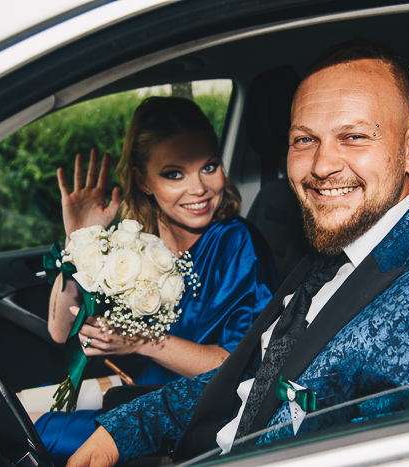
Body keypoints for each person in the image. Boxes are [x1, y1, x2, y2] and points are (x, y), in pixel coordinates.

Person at [67, 38, 409, 467]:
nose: (322, 165)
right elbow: (252, 380)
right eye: (305, 139)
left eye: (354, 136)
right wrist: (123, 431)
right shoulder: (342, 244)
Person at [36, 96, 278, 465]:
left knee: (29, 434)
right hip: (138, 392)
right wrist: (77, 246)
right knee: (13, 415)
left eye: (209, 167)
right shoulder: (136, 240)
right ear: (143, 181)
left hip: (192, 417)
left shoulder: (236, 243)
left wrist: (141, 341)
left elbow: (241, 367)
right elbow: (59, 331)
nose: (199, 189)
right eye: (174, 174)